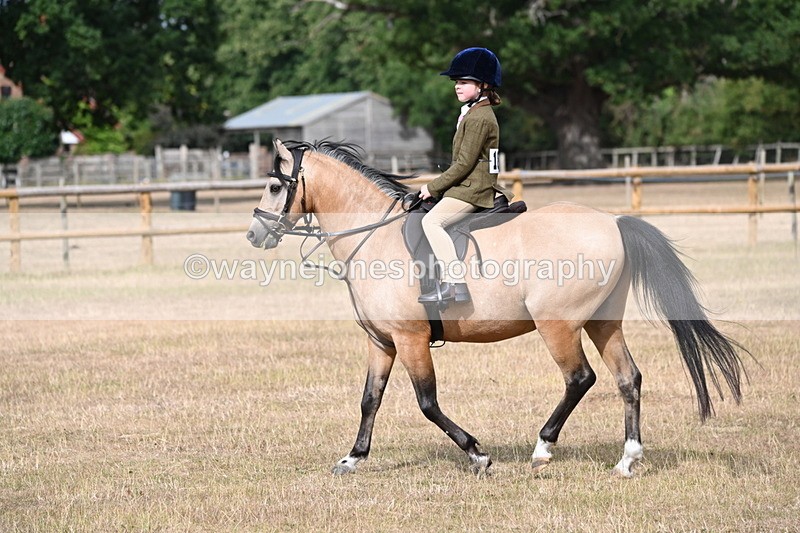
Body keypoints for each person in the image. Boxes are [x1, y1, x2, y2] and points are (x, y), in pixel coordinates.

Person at [418, 47, 509, 304]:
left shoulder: (479, 118)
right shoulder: (472, 113)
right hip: (469, 183)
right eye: (456, 82)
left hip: (473, 189)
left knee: (431, 222)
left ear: (483, 85)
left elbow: (464, 164)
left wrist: (433, 187)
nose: (457, 87)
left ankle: (454, 284)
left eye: (464, 82)